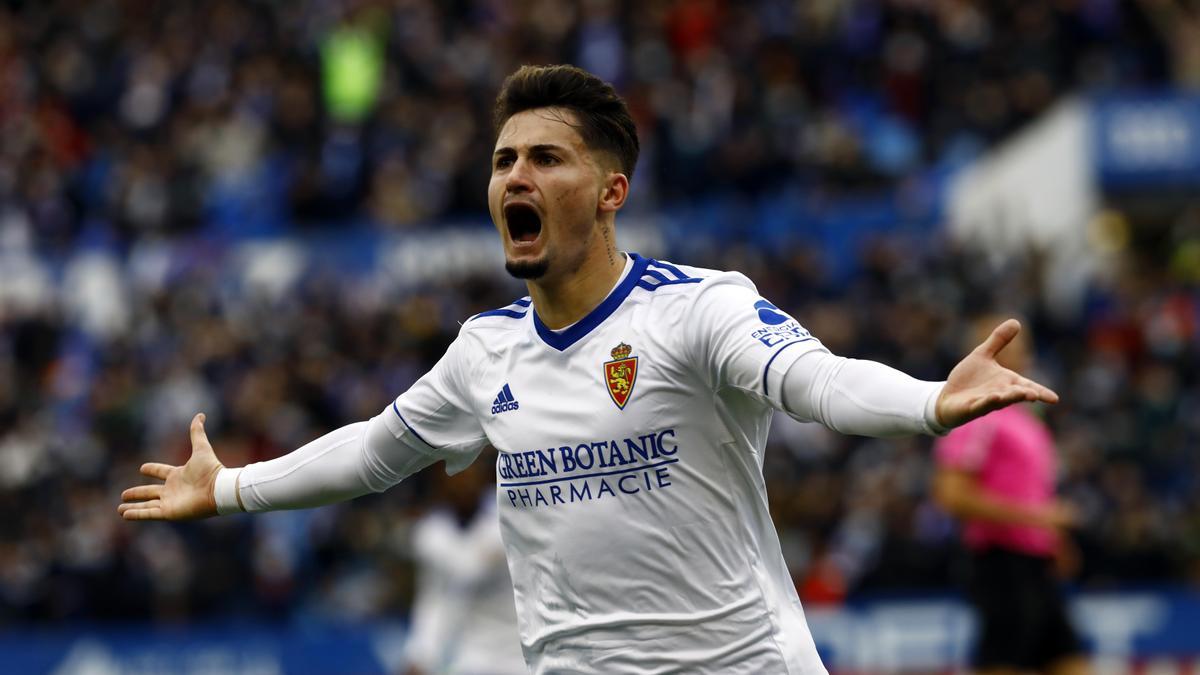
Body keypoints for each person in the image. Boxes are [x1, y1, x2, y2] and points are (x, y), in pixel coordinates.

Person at [119, 64, 1059, 674]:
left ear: (611, 191)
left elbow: (816, 382)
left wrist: (931, 401)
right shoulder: (484, 350)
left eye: (547, 158)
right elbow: (372, 452)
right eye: (503, 160)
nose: (515, 176)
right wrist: (233, 487)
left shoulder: (698, 309)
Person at [933, 316, 1088, 675]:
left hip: (1036, 563)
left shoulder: (1023, 414)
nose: (1018, 354)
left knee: (1070, 659)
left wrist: (1054, 539)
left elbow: (1030, 489)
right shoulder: (975, 412)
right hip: (1001, 562)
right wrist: (1040, 519)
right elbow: (951, 495)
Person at [404, 454, 526, 675]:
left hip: (521, 653)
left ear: (482, 475)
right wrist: (420, 654)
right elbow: (433, 599)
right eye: (452, 474)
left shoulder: (511, 514)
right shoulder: (431, 534)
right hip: (470, 655)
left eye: (469, 471)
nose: (461, 481)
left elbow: (469, 570)